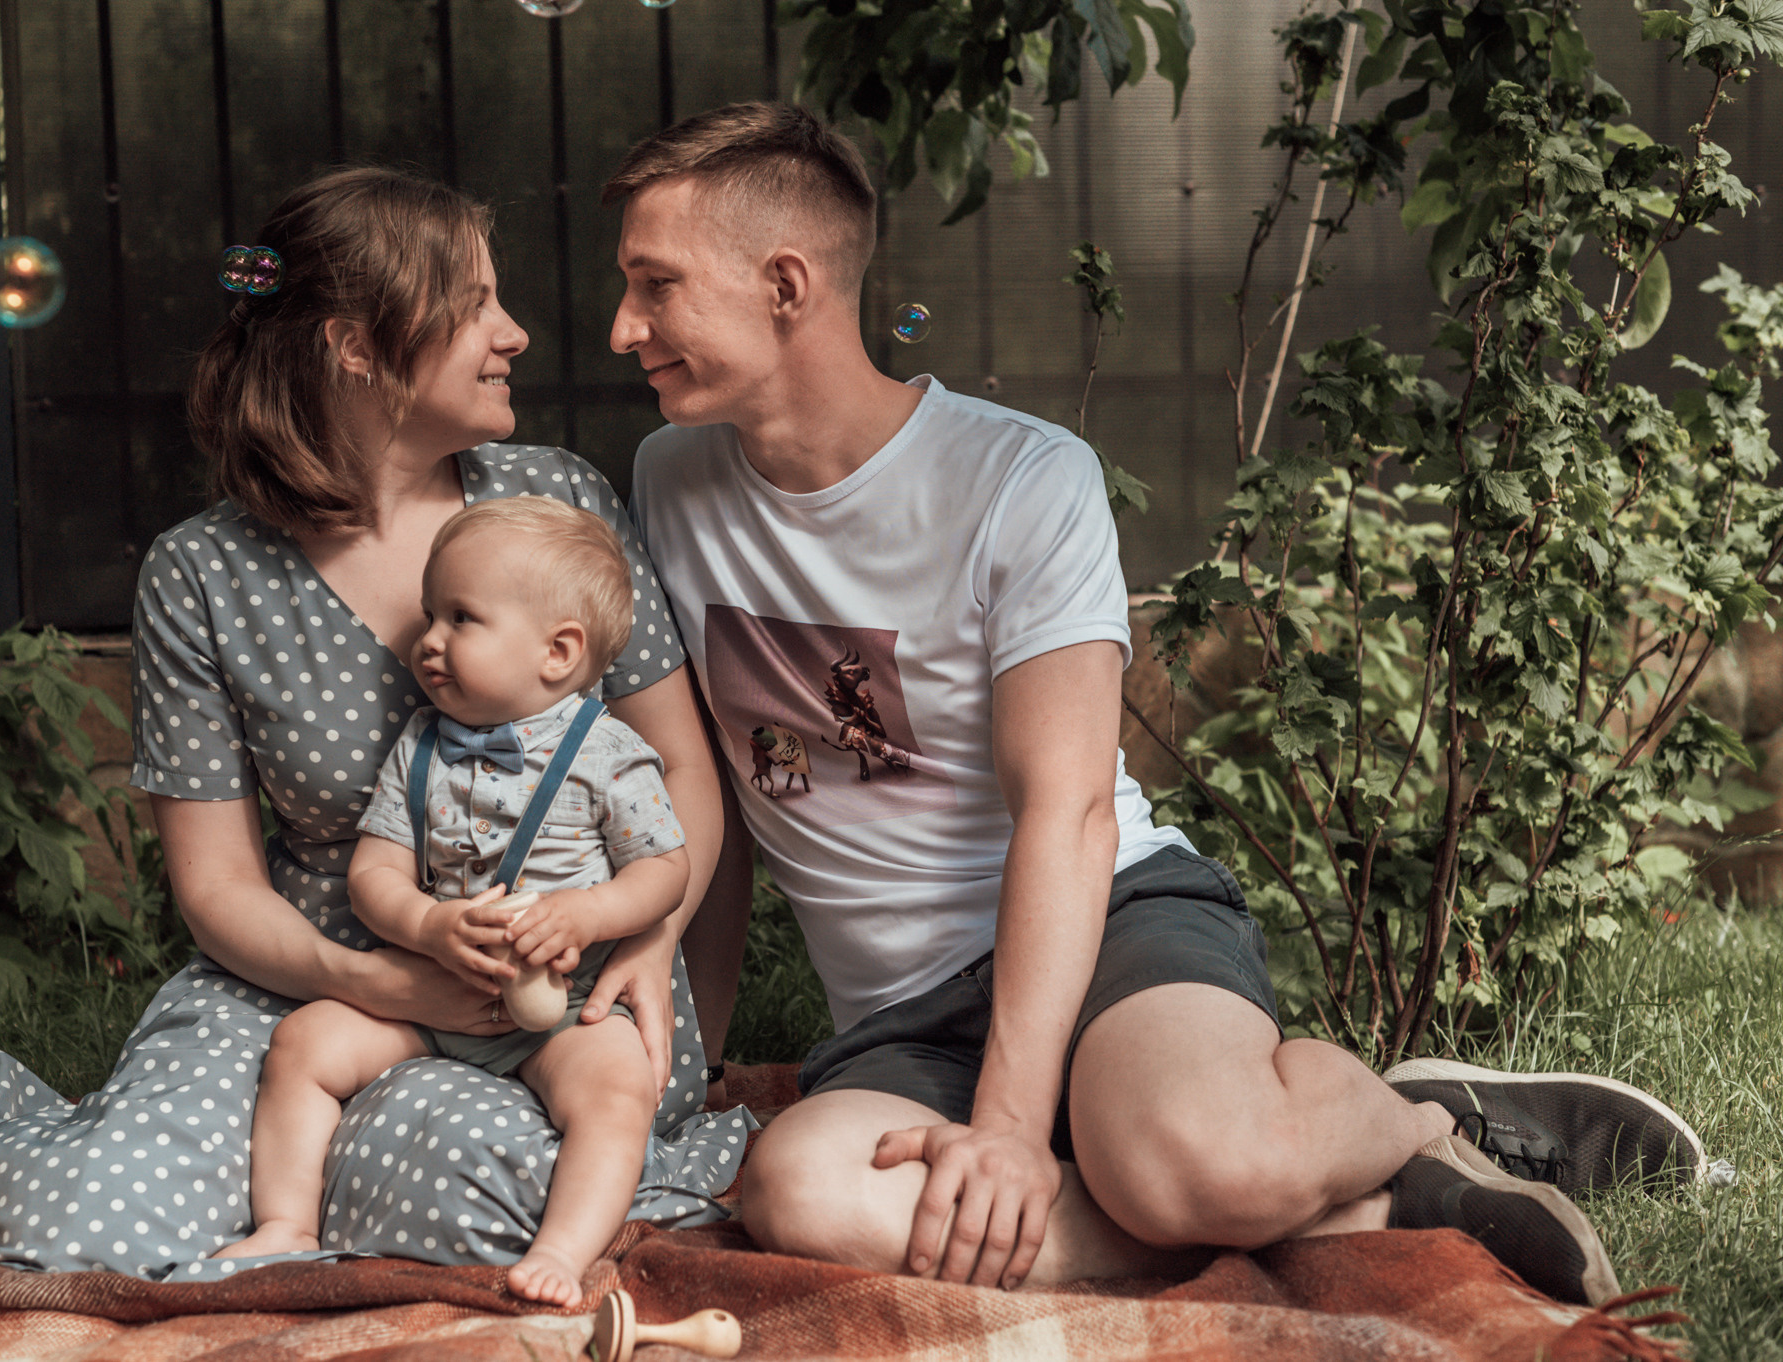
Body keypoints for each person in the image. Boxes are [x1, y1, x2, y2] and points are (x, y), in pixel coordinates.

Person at [611, 104, 1708, 1307]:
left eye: (654, 288)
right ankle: (1368, 1203)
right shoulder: (667, 484)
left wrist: (1014, 1128)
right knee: (799, 1191)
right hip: (899, 1021)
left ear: (783, 283)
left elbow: (1070, 813)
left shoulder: (1020, 480)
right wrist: (691, 1067)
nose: (623, 330)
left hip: (1105, 925)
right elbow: (705, 795)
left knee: (1187, 1161)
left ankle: (1400, 1112)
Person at [0, 167, 750, 1279]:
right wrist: (387, 981)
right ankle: (285, 1185)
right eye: (475, 304)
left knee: (488, 1201)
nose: (514, 333)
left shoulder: (553, 500)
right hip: (312, 980)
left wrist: (646, 939)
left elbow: (675, 765)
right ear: (357, 346)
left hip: (567, 988)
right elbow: (219, 891)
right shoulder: (202, 574)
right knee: (76, 1226)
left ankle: (320, 1191)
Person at [216, 498, 691, 1308]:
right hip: (433, 989)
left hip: (564, 1005)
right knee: (302, 1043)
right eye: (430, 613)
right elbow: (374, 876)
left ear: (559, 651)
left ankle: (563, 1253)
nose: (426, 639)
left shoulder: (610, 753)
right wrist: (429, 926)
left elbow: (665, 870)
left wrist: (588, 915)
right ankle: (287, 1223)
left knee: (618, 1093)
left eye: (460, 618)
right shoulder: (422, 744)